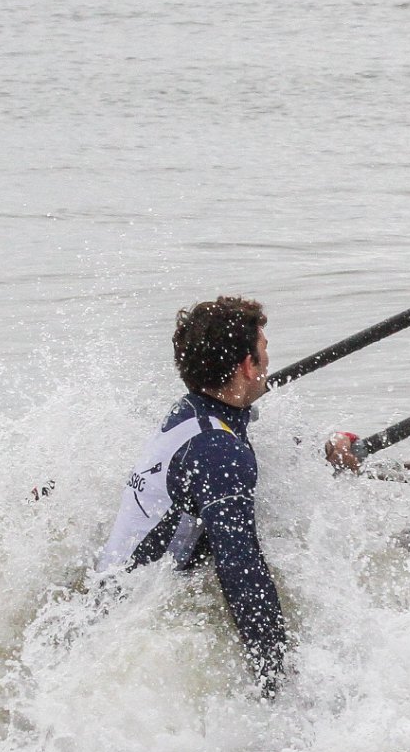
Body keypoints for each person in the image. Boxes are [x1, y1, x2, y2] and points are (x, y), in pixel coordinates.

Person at [97, 296, 300, 698]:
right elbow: (240, 567)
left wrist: (318, 449)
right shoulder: (217, 451)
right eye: (263, 351)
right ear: (247, 365)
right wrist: (279, 684)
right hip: (125, 627)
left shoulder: (194, 413)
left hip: (107, 601)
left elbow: (243, 434)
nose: (268, 359)